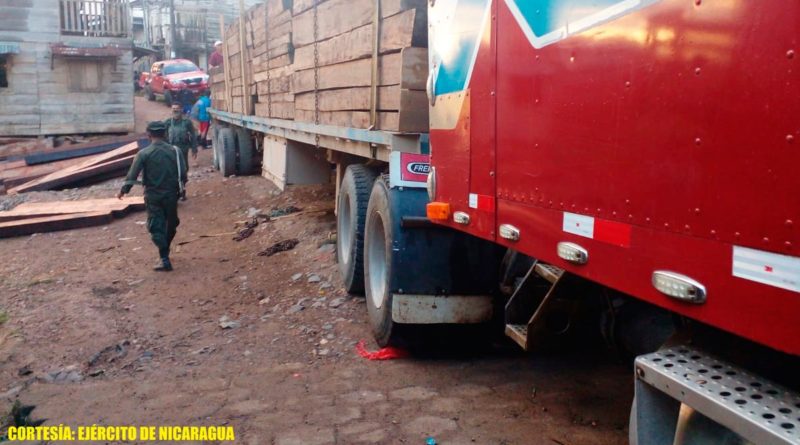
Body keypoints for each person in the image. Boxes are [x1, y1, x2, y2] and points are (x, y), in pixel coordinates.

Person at [117, 121, 187, 272]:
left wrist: (124, 190)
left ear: (148, 135)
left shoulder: (143, 154)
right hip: (171, 195)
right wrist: (181, 189)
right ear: (165, 133)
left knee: (156, 226)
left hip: (153, 195)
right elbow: (183, 173)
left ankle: (164, 258)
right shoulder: (176, 151)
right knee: (171, 224)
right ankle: (165, 250)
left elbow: (132, 175)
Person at [164, 104, 198, 201]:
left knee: (183, 169)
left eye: (177, 108)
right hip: (170, 150)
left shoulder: (187, 122)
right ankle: (174, 191)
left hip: (183, 149)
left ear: (181, 109)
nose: (175, 110)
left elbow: (193, 135)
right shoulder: (167, 122)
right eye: (173, 109)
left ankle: (182, 189)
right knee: (171, 170)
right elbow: (161, 135)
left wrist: (194, 149)